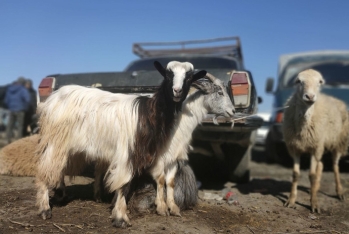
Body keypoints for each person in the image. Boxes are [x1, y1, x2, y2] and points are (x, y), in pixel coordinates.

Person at [4, 77, 30, 143]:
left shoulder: (10, 89)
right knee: (20, 126)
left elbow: (6, 101)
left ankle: (7, 139)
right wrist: (25, 108)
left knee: (10, 125)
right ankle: (18, 141)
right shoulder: (23, 89)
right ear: (23, 82)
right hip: (20, 110)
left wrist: (10, 106)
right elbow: (27, 99)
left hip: (11, 109)